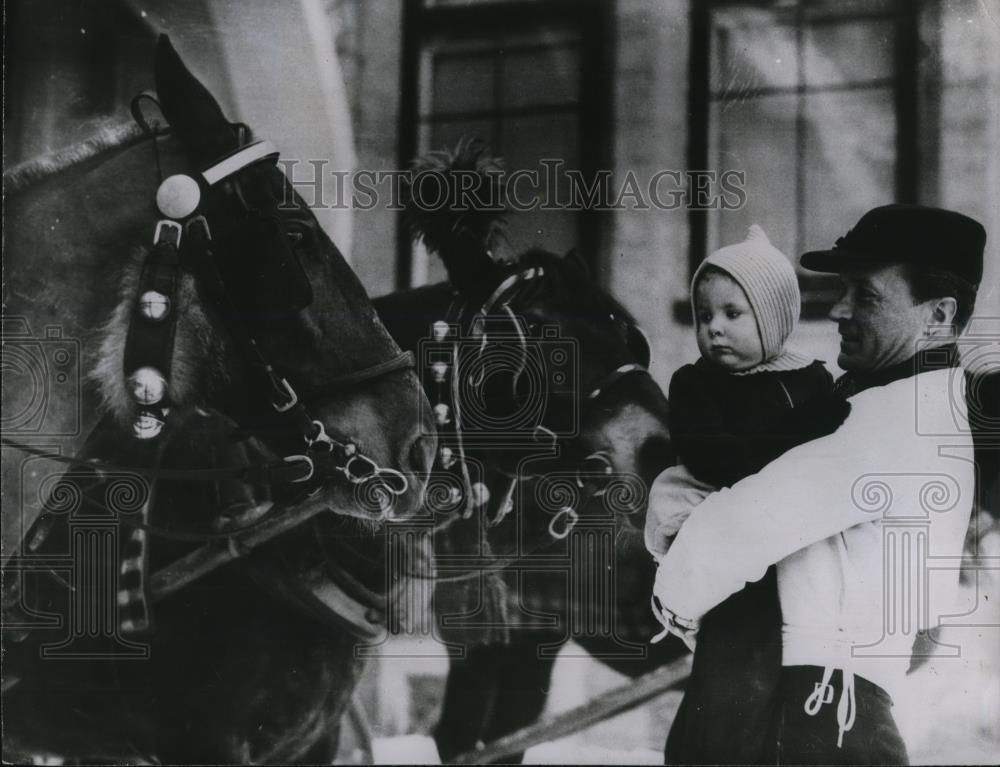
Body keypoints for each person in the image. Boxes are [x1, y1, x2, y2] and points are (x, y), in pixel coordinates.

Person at [653, 204, 985, 764]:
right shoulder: (934, 405)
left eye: (867, 294)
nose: (838, 310)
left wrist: (675, 601)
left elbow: (732, 530)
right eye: (842, 289)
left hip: (812, 715)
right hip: (851, 706)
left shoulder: (885, 419)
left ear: (938, 314)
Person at [645, 224, 849, 763]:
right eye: (705, 315)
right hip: (736, 571)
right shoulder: (695, 385)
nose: (714, 329)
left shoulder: (812, 381)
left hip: (807, 565)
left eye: (733, 314)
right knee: (730, 693)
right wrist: (801, 436)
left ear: (775, 315)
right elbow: (718, 458)